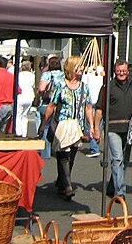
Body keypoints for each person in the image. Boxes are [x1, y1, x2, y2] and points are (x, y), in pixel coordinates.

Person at [39, 55, 94, 200]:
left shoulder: (84, 87)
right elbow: (52, 105)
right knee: (63, 155)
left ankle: (62, 181)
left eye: (81, 66)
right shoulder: (61, 85)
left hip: (77, 125)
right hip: (62, 124)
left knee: (72, 156)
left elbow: (88, 108)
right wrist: (44, 123)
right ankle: (68, 186)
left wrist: (92, 126)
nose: (81, 69)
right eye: (78, 66)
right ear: (71, 69)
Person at [94, 59, 132, 199]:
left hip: (129, 129)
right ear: (115, 71)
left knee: (124, 161)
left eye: (124, 71)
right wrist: (96, 128)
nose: (122, 73)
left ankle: (112, 186)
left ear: (128, 71)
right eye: (119, 71)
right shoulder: (108, 87)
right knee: (117, 159)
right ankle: (120, 192)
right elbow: (99, 109)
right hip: (113, 128)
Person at [38, 56, 65, 160]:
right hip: (59, 105)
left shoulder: (47, 74)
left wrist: (40, 93)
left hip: (47, 103)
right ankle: (57, 148)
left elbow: (41, 88)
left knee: (45, 127)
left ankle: (45, 153)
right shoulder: (63, 75)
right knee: (56, 127)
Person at [16, 60, 36, 137]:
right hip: (29, 96)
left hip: (20, 95)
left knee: (18, 115)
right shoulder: (32, 75)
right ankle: (24, 133)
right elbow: (33, 85)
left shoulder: (18, 75)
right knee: (25, 115)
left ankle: (18, 132)